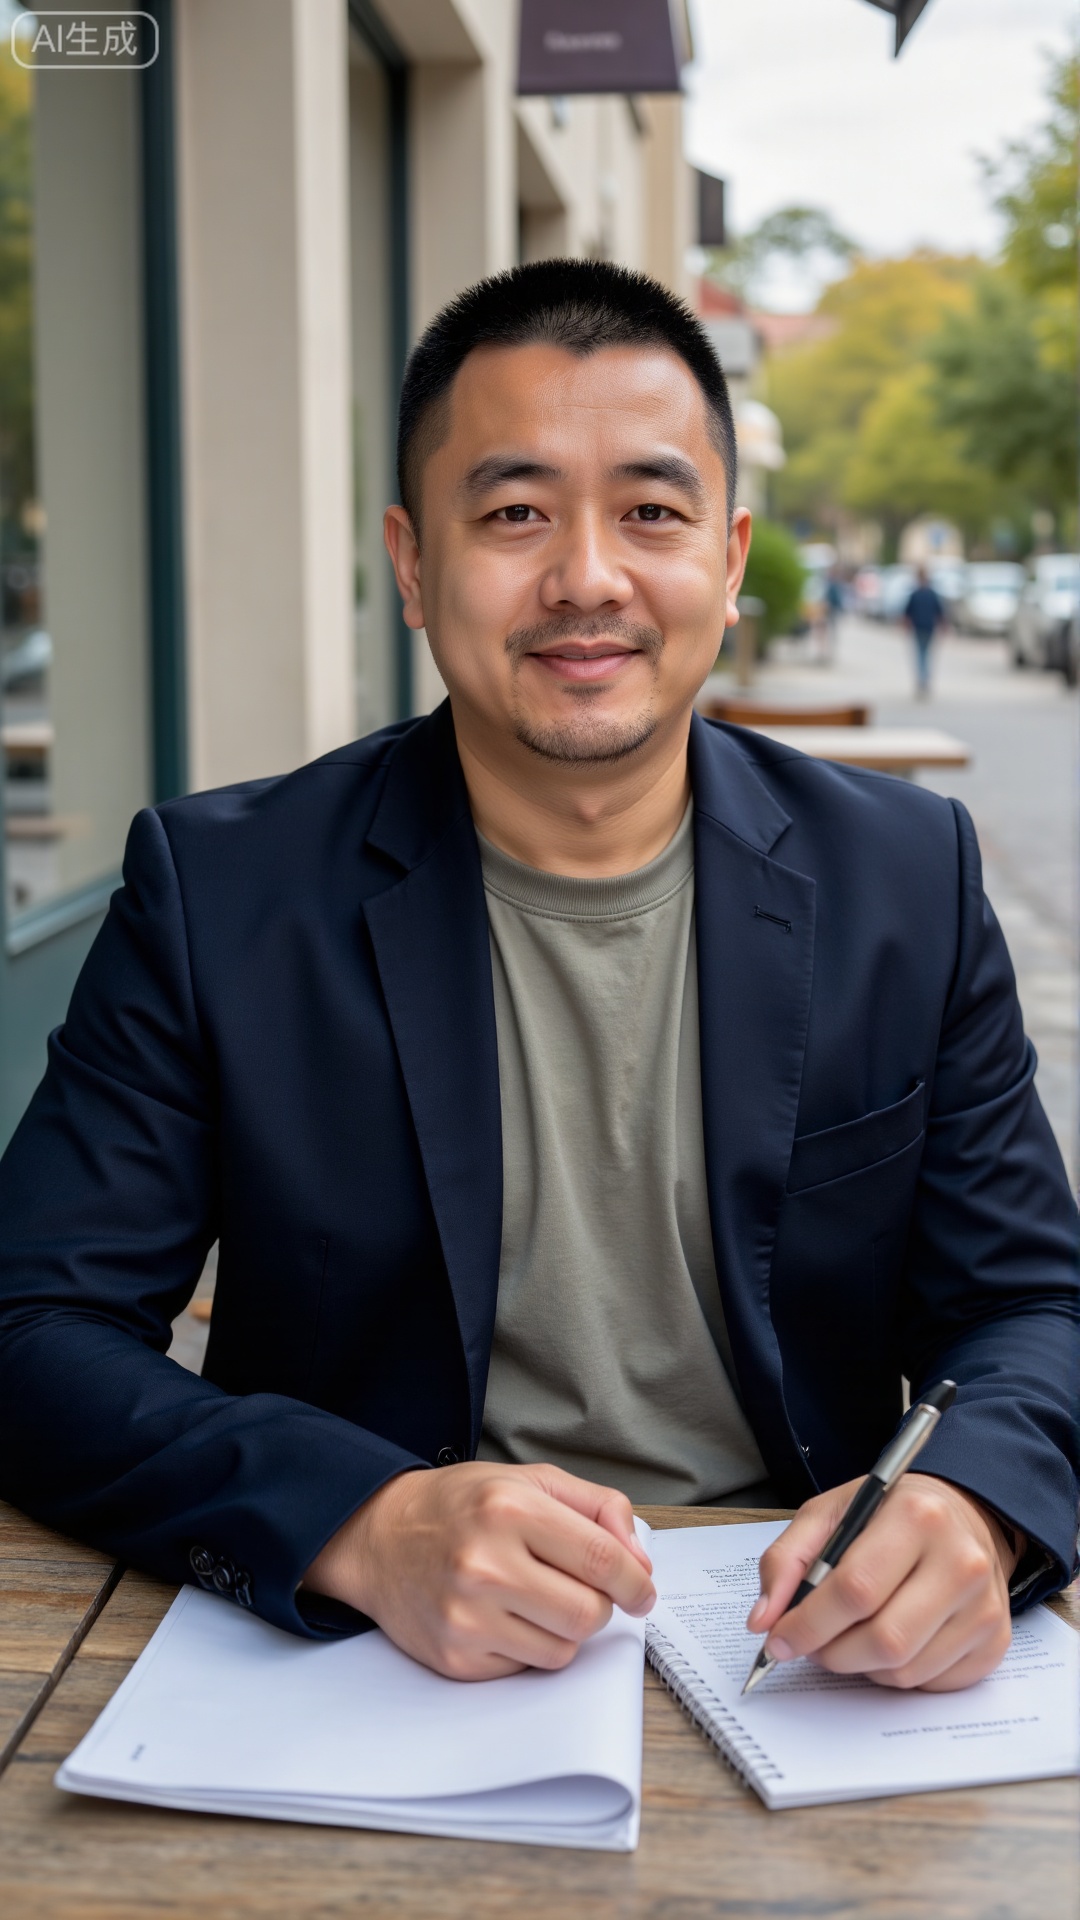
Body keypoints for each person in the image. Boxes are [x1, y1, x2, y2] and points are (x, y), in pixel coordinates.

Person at [0, 263, 1075, 1695]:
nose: (587, 577)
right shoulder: (224, 893)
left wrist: (974, 1505)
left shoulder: (904, 878)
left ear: (732, 554)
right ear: (411, 563)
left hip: (797, 1644)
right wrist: (357, 1520)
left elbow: (1032, 1307)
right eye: (513, 513)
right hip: (372, 1660)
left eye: (651, 510)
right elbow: (33, 1329)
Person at [904, 567, 946, 698]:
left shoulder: (915, 594)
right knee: (926, 655)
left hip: (919, 628)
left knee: (920, 655)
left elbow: (906, 614)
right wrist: (943, 626)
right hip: (928, 628)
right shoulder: (932, 594)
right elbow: (940, 613)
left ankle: (922, 680)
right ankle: (925, 680)